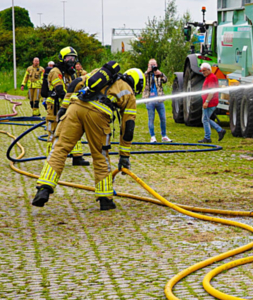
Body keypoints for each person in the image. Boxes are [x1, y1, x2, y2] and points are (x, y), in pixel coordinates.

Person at [33, 64, 143, 211]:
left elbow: (75, 83)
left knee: (59, 149)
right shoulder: (128, 92)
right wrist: (124, 156)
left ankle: (44, 188)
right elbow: (128, 128)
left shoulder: (99, 73)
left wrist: (64, 108)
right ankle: (105, 199)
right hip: (98, 115)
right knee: (100, 156)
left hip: (75, 107)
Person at [42, 48, 88, 165]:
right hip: (55, 105)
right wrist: (70, 100)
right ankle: (51, 159)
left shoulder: (70, 74)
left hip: (68, 104)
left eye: (73, 58)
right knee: (53, 131)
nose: (71, 61)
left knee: (74, 128)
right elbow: (59, 90)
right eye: (68, 58)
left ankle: (77, 157)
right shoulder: (55, 71)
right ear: (62, 58)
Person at [143, 59, 170, 142]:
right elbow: (142, 79)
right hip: (149, 100)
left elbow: (165, 80)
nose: (153, 66)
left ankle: (164, 136)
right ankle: (152, 136)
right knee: (151, 119)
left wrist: (160, 74)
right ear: (148, 65)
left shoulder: (158, 73)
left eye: (154, 64)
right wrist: (148, 71)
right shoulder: (146, 74)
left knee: (163, 118)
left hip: (159, 99)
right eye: (151, 65)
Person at [200, 62, 226, 143]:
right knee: (205, 119)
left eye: (204, 70)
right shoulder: (209, 77)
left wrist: (207, 101)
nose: (203, 72)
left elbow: (211, 91)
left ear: (208, 70)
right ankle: (217, 131)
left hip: (210, 102)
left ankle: (210, 135)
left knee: (205, 119)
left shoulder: (211, 77)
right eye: (202, 71)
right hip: (209, 102)